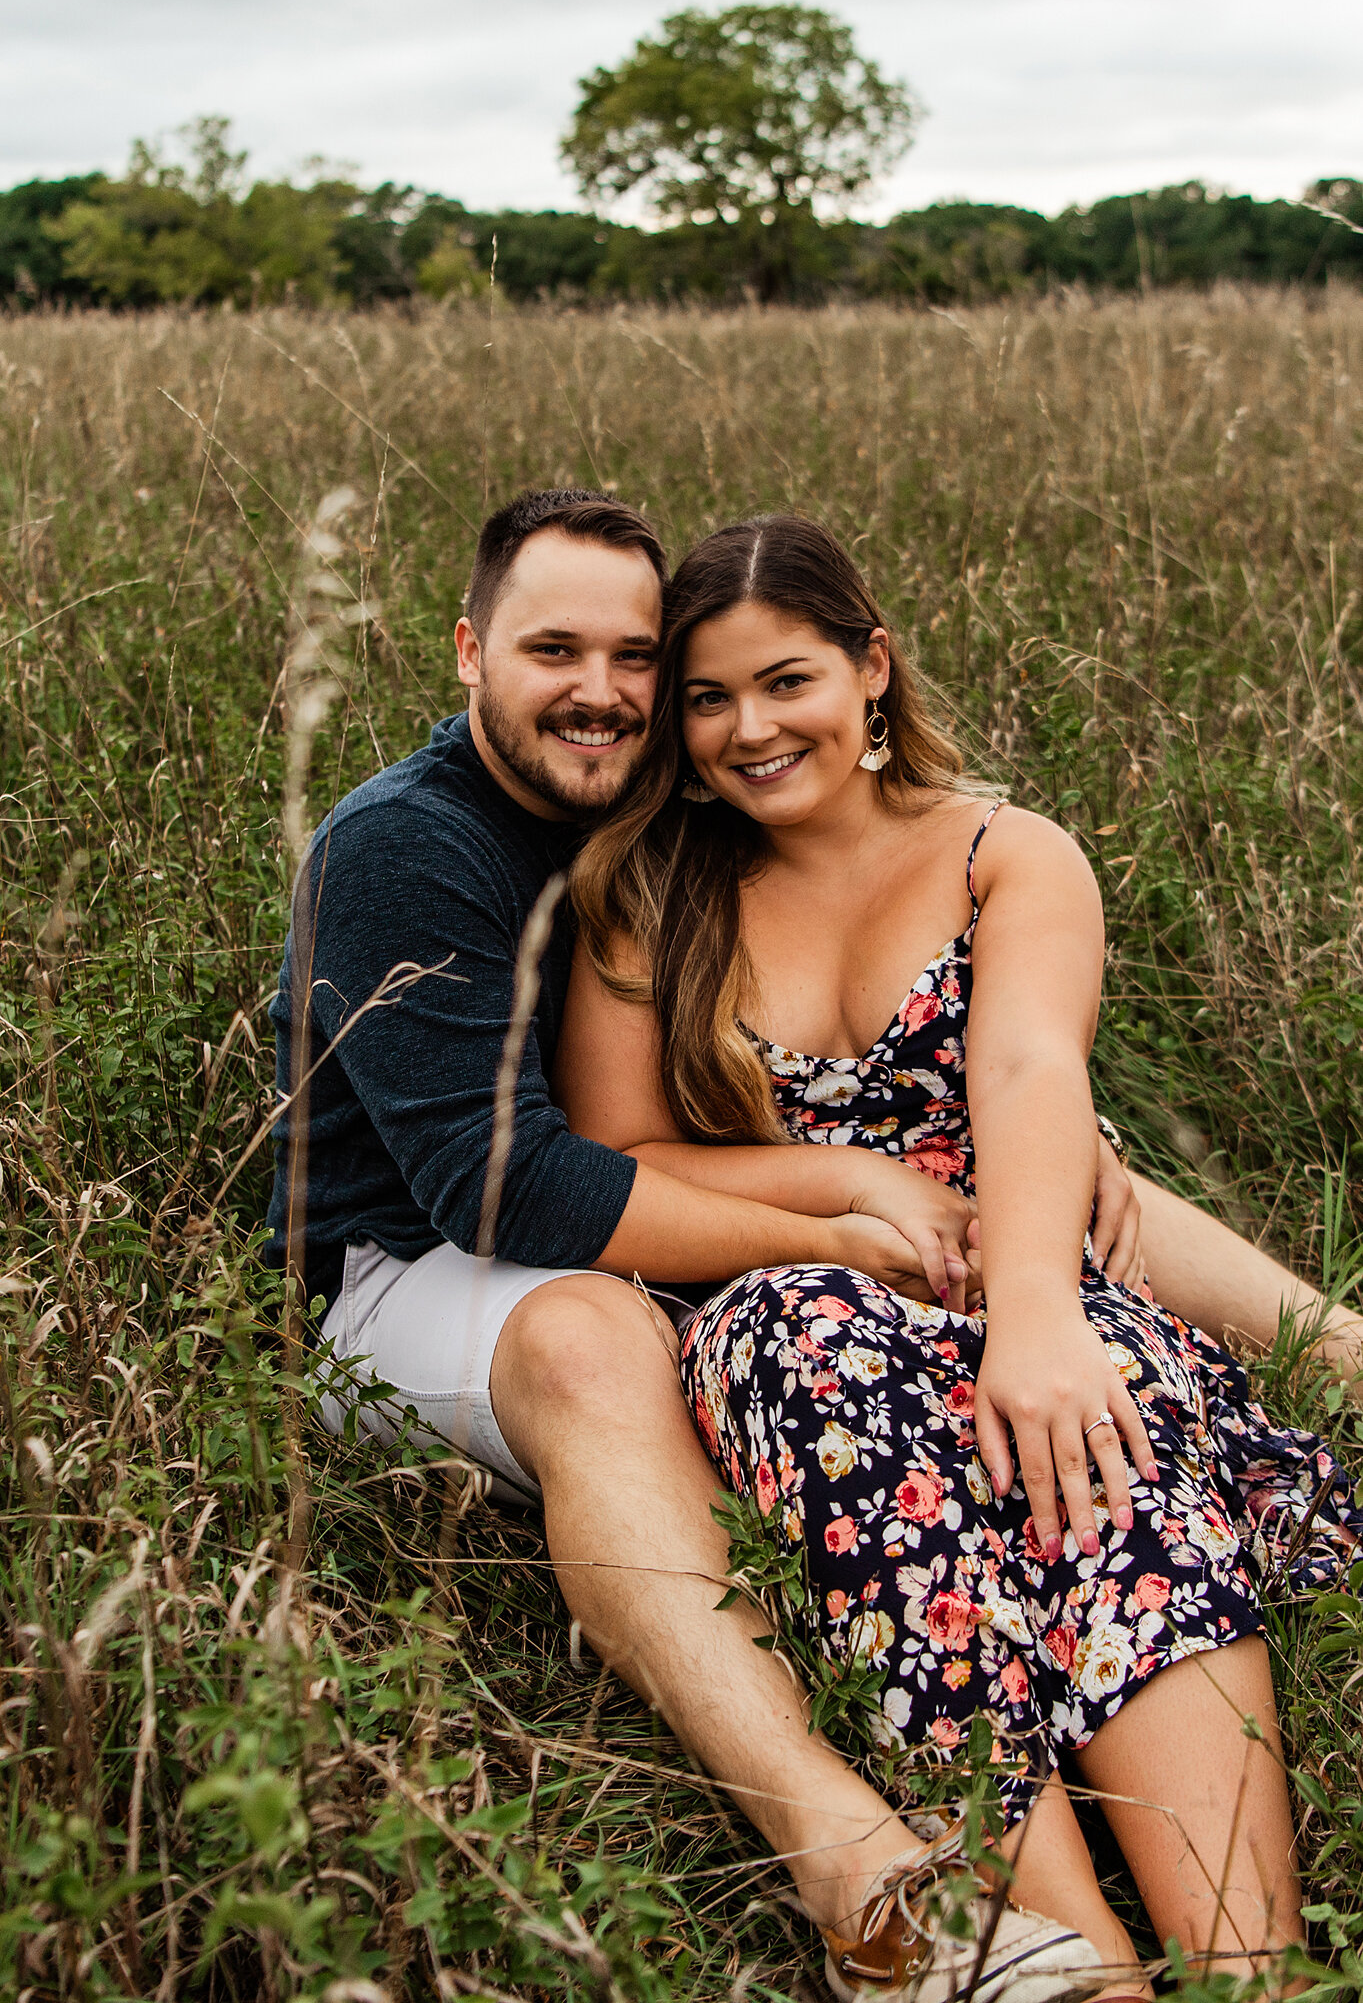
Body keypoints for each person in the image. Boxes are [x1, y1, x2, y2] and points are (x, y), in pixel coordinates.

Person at [269, 489, 1358, 2001]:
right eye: (555, 650)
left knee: (1061, 1435)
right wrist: (856, 1200)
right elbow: (509, 1187)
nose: (610, 694)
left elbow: (1028, 1085)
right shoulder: (456, 853)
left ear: (872, 669)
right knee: (682, 1348)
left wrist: (1026, 1264)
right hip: (433, 1264)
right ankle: (932, 1896)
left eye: (639, 659)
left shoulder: (897, 845)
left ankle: (1252, 1965)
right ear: (469, 652)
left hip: (838, 1254)